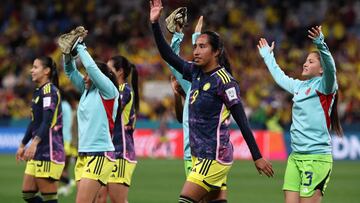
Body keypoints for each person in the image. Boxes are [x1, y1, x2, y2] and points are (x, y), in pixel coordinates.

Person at [149, 1, 274, 202]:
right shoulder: (195, 73)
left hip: (214, 157)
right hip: (200, 157)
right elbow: (168, 55)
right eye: (196, 46)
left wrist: (257, 156)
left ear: (216, 52)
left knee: (185, 200)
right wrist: (155, 24)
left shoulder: (225, 82)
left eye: (202, 46)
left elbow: (242, 121)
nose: (196, 51)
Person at [257, 26, 343, 203]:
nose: (305, 63)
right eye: (306, 60)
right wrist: (268, 56)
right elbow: (280, 77)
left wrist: (320, 44)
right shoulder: (299, 86)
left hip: (316, 159)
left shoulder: (325, 87)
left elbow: (331, 69)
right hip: (295, 157)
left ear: (321, 69)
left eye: (311, 62)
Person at [60, 27, 119, 203]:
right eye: (84, 75)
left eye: (88, 75)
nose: (85, 78)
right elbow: (70, 71)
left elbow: (92, 69)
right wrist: (67, 54)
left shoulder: (108, 91)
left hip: (99, 154)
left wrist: (79, 46)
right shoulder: (86, 91)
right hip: (83, 155)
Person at [16, 56, 64, 203]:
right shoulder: (39, 91)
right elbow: (34, 122)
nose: (32, 70)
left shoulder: (49, 91)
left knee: (49, 198)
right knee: (28, 194)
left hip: (48, 150)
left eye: (35, 67)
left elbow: (47, 121)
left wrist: (34, 143)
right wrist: (23, 144)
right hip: (39, 150)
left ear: (47, 71)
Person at [96, 55, 139, 203]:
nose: (106, 73)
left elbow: (110, 110)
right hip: (108, 151)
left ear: (120, 72)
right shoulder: (113, 90)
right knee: (99, 197)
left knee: (117, 200)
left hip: (121, 152)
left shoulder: (123, 90)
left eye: (109, 69)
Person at [167, 13, 203, 176]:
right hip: (192, 156)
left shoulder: (219, 81)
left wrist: (196, 37)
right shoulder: (191, 84)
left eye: (202, 47)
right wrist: (178, 34)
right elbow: (171, 59)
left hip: (211, 154)